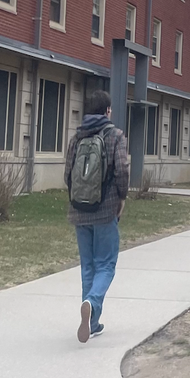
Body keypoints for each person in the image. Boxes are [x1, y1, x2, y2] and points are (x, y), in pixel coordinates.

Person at [64, 89, 128, 343]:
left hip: (79, 210)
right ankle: (91, 302)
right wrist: (121, 198)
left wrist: (77, 198)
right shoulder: (115, 136)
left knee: (88, 266)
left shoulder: (76, 139)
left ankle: (91, 322)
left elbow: (68, 174)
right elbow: (122, 169)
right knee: (106, 265)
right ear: (107, 111)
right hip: (105, 209)